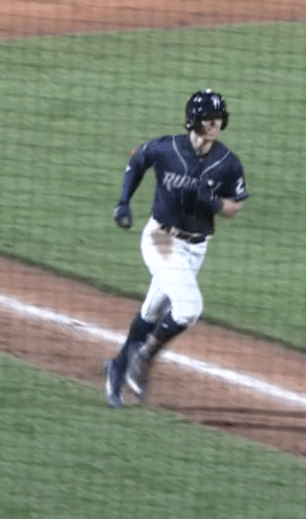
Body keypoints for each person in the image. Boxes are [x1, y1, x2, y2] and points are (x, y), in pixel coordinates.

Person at [104, 89, 250, 408]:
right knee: (189, 308)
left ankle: (118, 366)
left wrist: (214, 202)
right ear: (193, 121)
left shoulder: (227, 162)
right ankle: (143, 359)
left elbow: (235, 207)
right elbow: (137, 160)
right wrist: (123, 203)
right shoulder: (167, 148)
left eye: (218, 119)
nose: (214, 125)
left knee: (152, 311)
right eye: (209, 119)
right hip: (161, 239)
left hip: (196, 248)